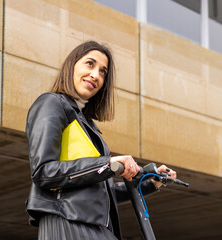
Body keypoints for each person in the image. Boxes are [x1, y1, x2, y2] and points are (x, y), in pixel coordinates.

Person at [25, 40, 176, 240]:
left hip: (92, 224)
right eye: (90, 64)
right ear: (72, 65)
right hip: (66, 220)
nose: (95, 75)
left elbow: (102, 192)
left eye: (103, 72)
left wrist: (150, 182)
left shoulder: (86, 124)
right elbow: (43, 172)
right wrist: (107, 164)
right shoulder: (51, 103)